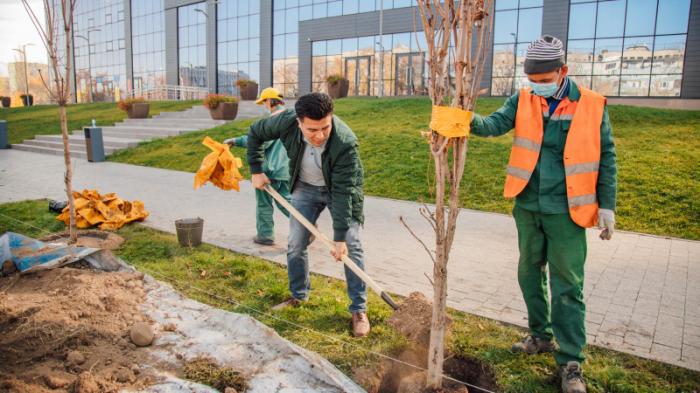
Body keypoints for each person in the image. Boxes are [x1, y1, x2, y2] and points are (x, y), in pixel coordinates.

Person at [470, 35, 617, 393]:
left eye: (543, 80)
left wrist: (608, 205)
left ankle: (570, 362)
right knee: (528, 272)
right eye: (531, 81)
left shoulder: (593, 105)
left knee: (568, 285)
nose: (537, 87)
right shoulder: (523, 98)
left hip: (569, 210)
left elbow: (607, 156)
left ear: (563, 71)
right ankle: (541, 336)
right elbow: (493, 125)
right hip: (528, 204)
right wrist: (461, 118)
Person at [246, 92, 370, 337]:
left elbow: (345, 191)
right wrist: (256, 170)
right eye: (312, 130)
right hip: (304, 187)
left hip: (338, 190)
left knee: (352, 247)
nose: (320, 135)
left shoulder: (345, 142)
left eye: (325, 127)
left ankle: (359, 309)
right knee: (295, 243)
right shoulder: (283, 121)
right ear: (299, 122)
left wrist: (340, 237)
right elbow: (255, 133)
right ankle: (298, 296)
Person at [224, 87, 290, 246]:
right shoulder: (289, 117)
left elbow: (259, 141)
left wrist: (236, 140)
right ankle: (306, 225)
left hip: (268, 170)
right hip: (286, 169)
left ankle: (265, 235)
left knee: (264, 203)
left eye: (264, 102)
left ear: (269, 101)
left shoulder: (272, 119)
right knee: (286, 201)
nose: (264, 106)